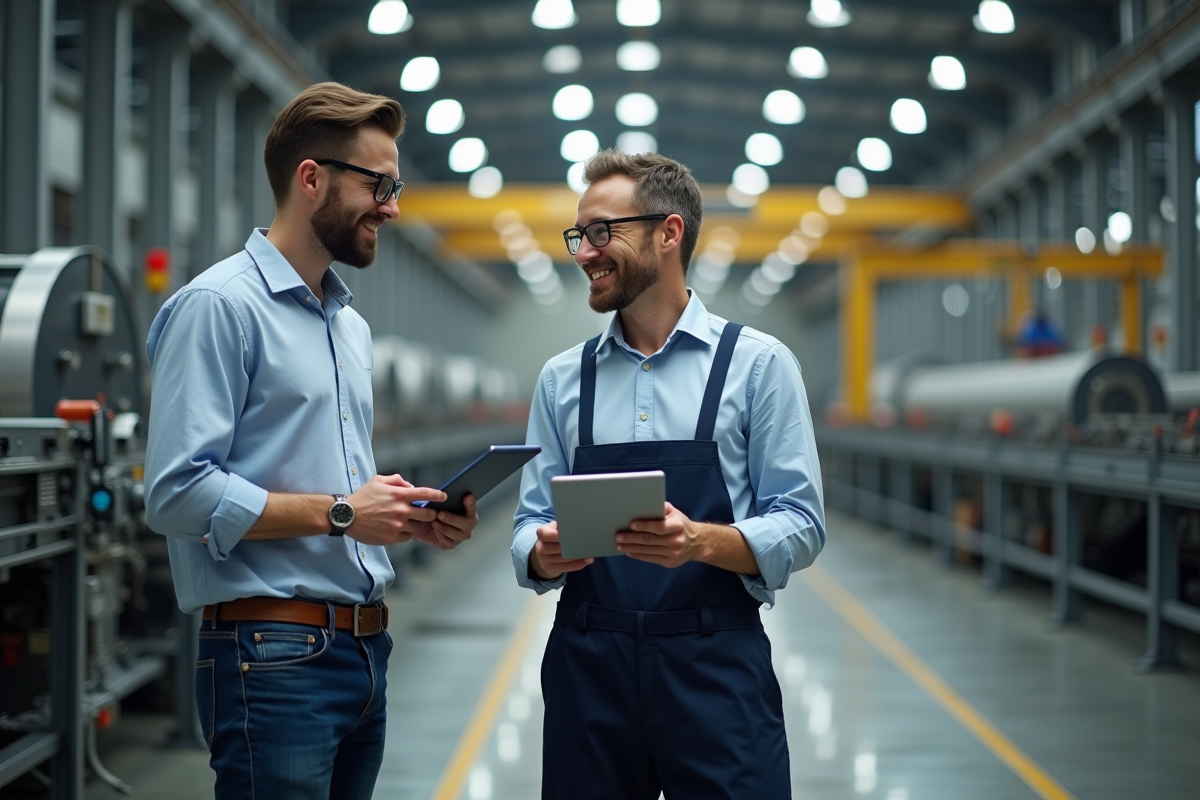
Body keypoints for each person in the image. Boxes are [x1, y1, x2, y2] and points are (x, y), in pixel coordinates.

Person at [143, 82, 479, 800]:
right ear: (311, 179)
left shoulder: (348, 326)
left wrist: (404, 516)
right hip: (271, 654)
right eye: (378, 185)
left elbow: (334, 489)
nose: (391, 207)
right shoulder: (218, 307)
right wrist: (343, 514)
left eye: (395, 188)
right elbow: (174, 494)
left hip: (363, 648)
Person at [512, 150, 826, 799]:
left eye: (602, 231)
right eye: (579, 235)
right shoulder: (562, 380)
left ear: (669, 232)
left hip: (715, 663)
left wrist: (700, 542)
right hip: (589, 665)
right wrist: (541, 554)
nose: (584, 252)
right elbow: (529, 522)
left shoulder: (758, 366)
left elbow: (801, 522)